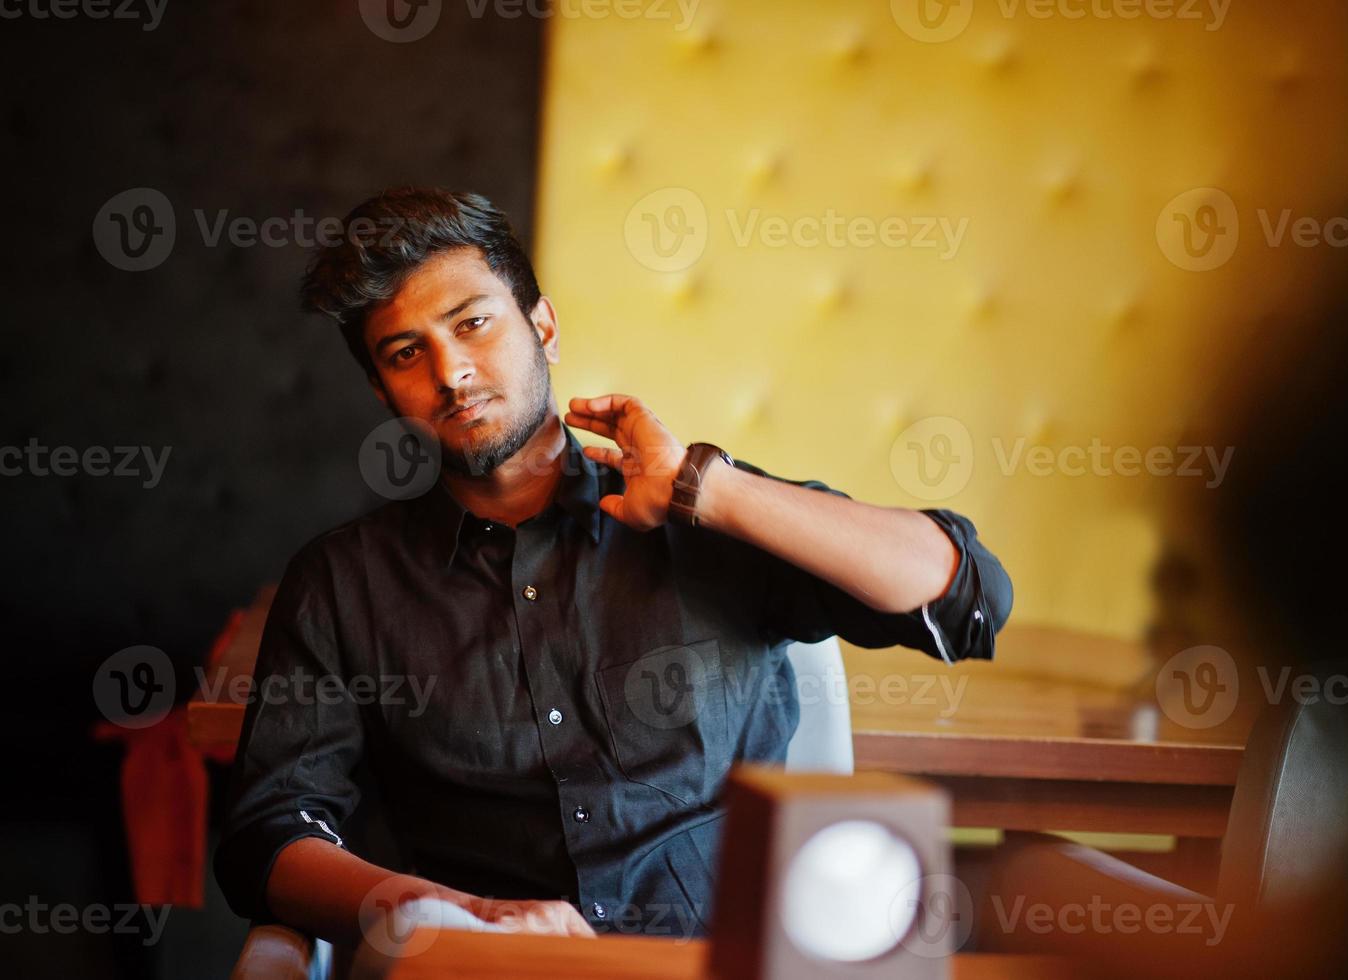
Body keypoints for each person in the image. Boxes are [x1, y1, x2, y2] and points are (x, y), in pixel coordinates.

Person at [214, 186, 1012, 948]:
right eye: (405, 352)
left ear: (544, 328)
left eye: (473, 324)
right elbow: (269, 832)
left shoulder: (712, 522)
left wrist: (710, 487)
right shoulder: (343, 583)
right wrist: (457, 916)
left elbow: (966, 595)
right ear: (384, 394)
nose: (450, 373)